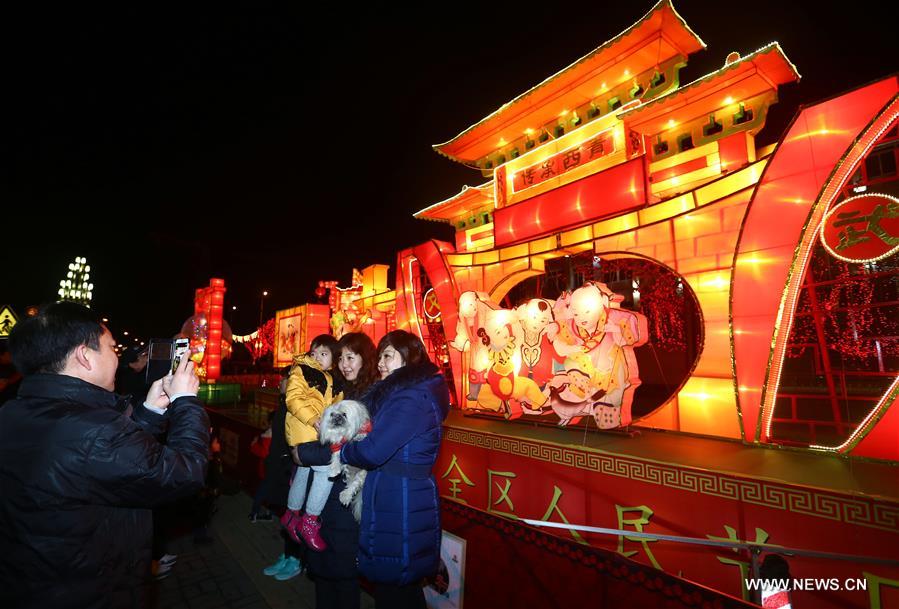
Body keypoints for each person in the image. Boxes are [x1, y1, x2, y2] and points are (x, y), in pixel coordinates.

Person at [0, 302, 209, 609]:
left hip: (34, 581)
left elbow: (105, 461)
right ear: (84, 356)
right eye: (111, 348)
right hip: (89, 590)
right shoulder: (91, 430)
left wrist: (151, 411)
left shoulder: (14, 411)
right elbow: (186, 471)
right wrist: (187, 402)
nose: (117, 357)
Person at [298, 330, 449, 609]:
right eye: (379, 355)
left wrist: (341, 450)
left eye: (388, 355)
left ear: (409, 357)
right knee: (395, 585)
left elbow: (373, 450)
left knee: (397, 585)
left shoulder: (411, 398)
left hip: (401, 498)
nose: (380, 362)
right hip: (393, 492)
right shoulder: (401, 393)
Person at [297, 332, 379, 609]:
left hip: (346, 494)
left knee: (342, 570)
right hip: (324, 492)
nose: (344, 364)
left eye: (351, 357)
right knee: (321, 565)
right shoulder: (340, 391)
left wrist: (303, 453)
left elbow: (348, 448)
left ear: (365, 359)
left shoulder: (372, 398)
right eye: (341, 357)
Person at [280, 334, 343, 552]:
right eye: (314, 352)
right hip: (305, 430)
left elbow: (337, 406)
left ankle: (291, 514)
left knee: (303, 473)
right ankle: (310, 520)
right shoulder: (302, 370)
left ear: (333, 359)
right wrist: (315, 420)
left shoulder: (332, 379)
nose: (316, 357)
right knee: (326, 470)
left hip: (315, 432)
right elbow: (293, 398)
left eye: (323, 354)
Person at [261, 366, 305, 581]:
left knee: (294, 516)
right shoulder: (283, 404)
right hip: (279, 467)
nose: (280, 383)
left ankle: (296, 560)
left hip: (291, 470)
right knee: (286, 516)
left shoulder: (297, 408)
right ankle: (287, 554)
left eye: (284, 379)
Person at [248, 410, 275, 522]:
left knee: (262, 491)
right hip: (275, 469)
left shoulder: (268, 436)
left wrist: (254, 444)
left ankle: (254, 514)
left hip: (267, 469)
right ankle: (268, 513)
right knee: (271, 491)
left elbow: (263, 453)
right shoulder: (280, 434)